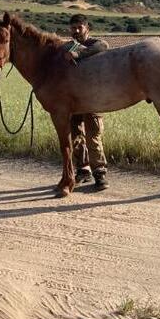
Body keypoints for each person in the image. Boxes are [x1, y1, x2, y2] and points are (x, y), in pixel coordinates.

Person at [65, 14, 110, 190]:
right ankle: (83, 170)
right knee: (76, 135)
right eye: (73, 28)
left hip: (92, 98)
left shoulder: (95, 44)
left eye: (79, 27)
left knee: (93, 135)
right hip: (74, 99)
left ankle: (100, 173)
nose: (76, 31)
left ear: (87, 28)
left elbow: (103, 46)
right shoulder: (67, 46)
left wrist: (77, 53)